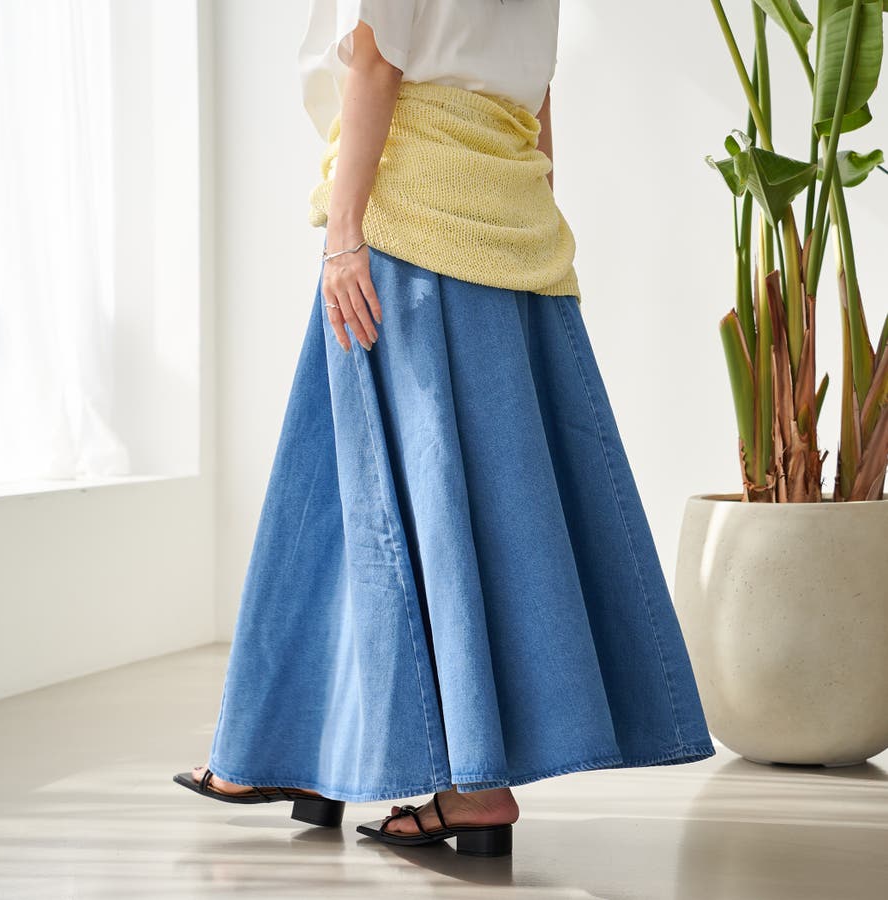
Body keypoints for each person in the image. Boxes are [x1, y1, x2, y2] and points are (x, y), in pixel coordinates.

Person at [173, 0, 716, 858]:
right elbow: (537, 93)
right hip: (506, 210)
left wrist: (344, 235)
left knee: (362, 496)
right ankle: (347, 764)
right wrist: (528, 219)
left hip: (411, 214)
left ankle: (373, 770)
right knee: (462, 495)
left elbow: (376, 63)